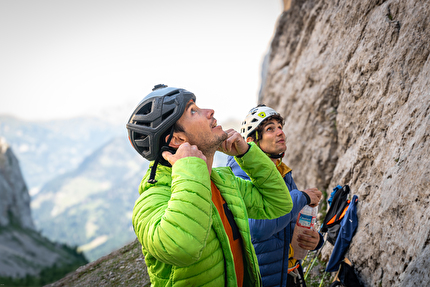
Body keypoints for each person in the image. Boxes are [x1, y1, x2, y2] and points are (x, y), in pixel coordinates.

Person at [126, 85, 294, 287]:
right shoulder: (151, 200)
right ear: (178, 139)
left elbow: (279, 204)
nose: (210, 111)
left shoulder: (223, 182)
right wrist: (188, 168)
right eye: (193, 111)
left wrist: (247, 155)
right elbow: (183, 247)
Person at [227, 104, 324, 287]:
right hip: (263, 278)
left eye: (280, 127)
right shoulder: (241, 174)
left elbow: (289, 222)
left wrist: (316, 240)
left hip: (288, 273)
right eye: (270, 129)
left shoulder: (282, 172)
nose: (280, 132)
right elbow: (258, 229)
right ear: (252, 142)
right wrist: (301, 196)